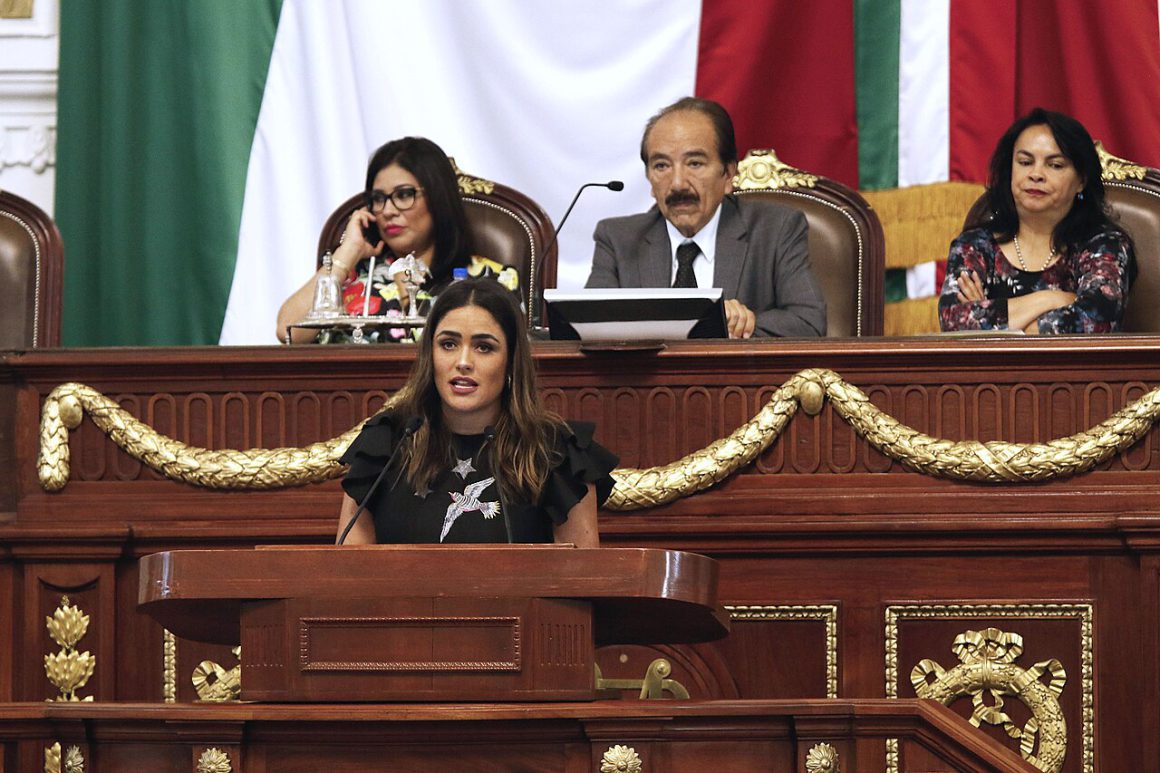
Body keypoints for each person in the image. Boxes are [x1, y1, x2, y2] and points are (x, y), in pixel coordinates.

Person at [335, 276, 618, 546]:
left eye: (484, 347)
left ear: (510, 363)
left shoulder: (557, 455)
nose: (463, 362)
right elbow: (348, 575)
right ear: (429, 355)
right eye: (448, 344)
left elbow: (581, 581)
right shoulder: (386, 445)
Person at [585, 97, 827, 339]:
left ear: (729, 174)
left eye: (695, 163)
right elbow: (589, 327)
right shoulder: (618, 239)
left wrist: (743, 323)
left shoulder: (776, 229)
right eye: (661, 166)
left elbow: (809, 322)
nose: (678, 183)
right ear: (649, 178)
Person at [277, 137, 518, 343]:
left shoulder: (493, 279)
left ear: (438, 198)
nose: (388, 210)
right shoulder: (353, 276)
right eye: (378, 198)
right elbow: (287, 333)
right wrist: (348, 251)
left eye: (404, 195)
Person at [938, 108, 1135, 334]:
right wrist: (1052, 299)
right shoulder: (974, 245)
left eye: (1055, 165)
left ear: (1081, 180)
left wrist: (994, 323)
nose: (1036, 174)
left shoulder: (1105, 246)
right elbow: (953, 322)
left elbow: (1095, 322)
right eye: (1025, 162)